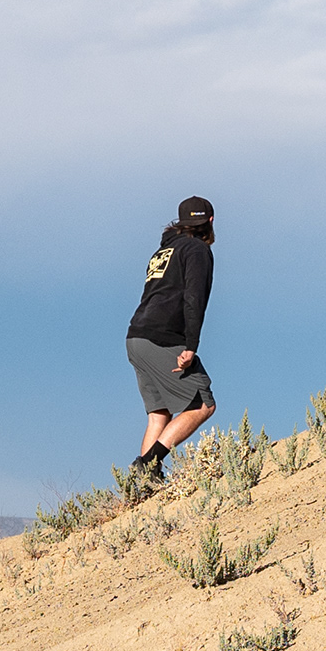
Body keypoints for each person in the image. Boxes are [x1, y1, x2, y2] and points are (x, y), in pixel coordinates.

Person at [124, 196, 218, 484]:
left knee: (159, 413)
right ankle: (147, 465)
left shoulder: (163, 251)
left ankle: (143, 488)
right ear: (210, 221)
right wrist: (191, 346)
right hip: (163, 337)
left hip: (137, 336)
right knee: (203, 404)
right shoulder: (197, 250)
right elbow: (193, 298)